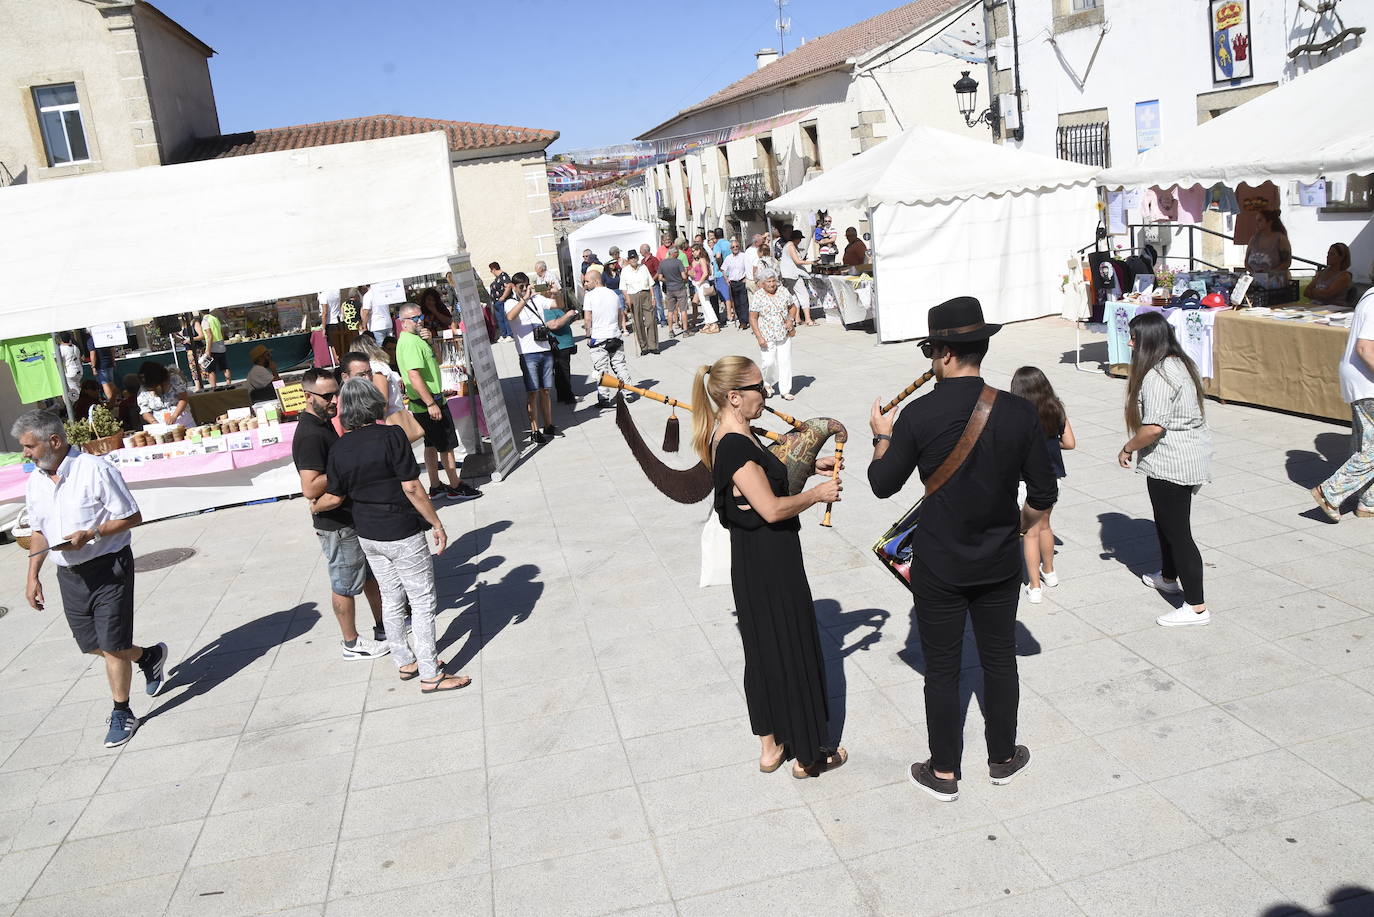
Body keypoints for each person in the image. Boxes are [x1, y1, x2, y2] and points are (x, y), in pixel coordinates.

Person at [868, 296, 1055, 802]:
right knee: (999, 661)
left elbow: (882, 484)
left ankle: (945, 771)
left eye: (931, 350)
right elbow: (1044, 492)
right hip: (998, 561)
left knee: (943, 669)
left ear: (946, 353)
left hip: (940, 563)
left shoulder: (918, 414)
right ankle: (1002, 757)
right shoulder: (1018, 411)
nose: (930, 361)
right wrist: (1021, 525)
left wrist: (881, 438)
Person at [691, 355, 846, 778]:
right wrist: (817, 495)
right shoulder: (736, 445)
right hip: (770, 558)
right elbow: (772, 508)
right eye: (759, 387)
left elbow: (766, 473)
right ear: (735, 397)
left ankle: (770, 747)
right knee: (788, 645)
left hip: (754, 558)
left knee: (762, 650)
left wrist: (810, 464)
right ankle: (809, 756)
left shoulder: (737, 435)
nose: (767, 393)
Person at [16, 409, 167, 748]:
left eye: (29, 446)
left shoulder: (95, 470)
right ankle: (147, 657)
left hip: (108, 568)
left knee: (113, 645)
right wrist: (32, 576)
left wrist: (92, 533)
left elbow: (132, 515)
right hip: (68, 575)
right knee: (91, 645)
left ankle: (122, 712)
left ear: (54, 441)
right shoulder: (35, 481)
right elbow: (39, 530)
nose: (25, 453)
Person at [311, 378, 471, 694]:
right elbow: (412, 487)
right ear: (374, 403)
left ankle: (404, 659)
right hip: (401, 531)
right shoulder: (391, 436)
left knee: (391, 596)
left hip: (368, 534)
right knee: (422, 601)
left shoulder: (340, 447)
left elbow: (335, 495)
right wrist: (436, 523)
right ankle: (430, 672)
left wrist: (315, 506)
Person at [1119, 311, 1213, 627]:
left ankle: (1196, 606)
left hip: (1172, 461)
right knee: (1165, 522)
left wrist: (1128, 447)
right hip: (1184, 455)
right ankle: (1168, 577)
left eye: (1134, 338)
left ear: (1148, 341)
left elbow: (1153, 428)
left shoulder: (1158, 375)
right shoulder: (1180, 363)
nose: (1130, 343)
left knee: (1178, 532)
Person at [291, 368, 389, 658]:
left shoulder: (322, 423)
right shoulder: (309, 434)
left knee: (369, 575)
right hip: (335, 523)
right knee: (344, 583)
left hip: (349, 516)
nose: (335, 399)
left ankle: (384, 626)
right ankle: (352, 643)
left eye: (337, 392)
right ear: (308, 397)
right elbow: (310, 487)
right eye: (327, 396)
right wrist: (347, 467)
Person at [396, 304, 481, 496]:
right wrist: (431, 403)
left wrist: (432, 341)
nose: (419, 321)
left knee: (431, 444)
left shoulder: (418, 339)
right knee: (446, 446)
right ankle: (455, 485)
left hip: (428, 403)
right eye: (414, 319)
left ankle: (435, 486)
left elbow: (439, 359)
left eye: (420, 316)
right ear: (403, 323)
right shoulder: (409, 342)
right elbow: (414, 376)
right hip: (429, 403)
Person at [1009, 367, 1075, 604]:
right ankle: (1050, 572)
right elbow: (1070, 443)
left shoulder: (1016, 413)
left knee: (1029, 532)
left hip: (1025, 480)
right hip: (1052, 477)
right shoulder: (1056, 407)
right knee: (1045, 525)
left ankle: (1034, 586)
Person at [1313, 284, 1374, 522]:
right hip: (1367, 382)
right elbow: (1365, 347)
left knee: (1366, 444)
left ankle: (1368, 502)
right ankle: (1329, 493)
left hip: (1362, 380)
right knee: (1371, 449)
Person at [505, 273, 557, 442]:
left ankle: (548, 424)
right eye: (521, 287)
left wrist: (555, 291)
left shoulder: (537, 299)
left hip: (545, 349)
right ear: (514, 287)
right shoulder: (511, 303)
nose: (525, 289)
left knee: (546, 390)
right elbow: (511, 317)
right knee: (533, 392)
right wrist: (524, 299)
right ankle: (535, 430)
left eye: (526, 285)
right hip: (528, 354)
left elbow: (557, 304)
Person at [341, 341, 422, 444]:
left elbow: (383, 406)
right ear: (345, 377)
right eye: (361, 375)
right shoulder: (342, 402)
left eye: (369, 373)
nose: (367, 378)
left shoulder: (377, 372)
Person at [584, 266, 631, 408]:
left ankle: (604, 398)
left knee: (601, 370)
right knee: (619, 365)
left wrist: (588, 335)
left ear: (596, 281)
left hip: (599, 337)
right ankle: (628, 391)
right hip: (615, 335)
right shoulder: (613, 294)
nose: (585, 284)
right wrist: (618, 328)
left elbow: (587, 318)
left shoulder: (589, 296)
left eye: (587, 282)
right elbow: (620, 313)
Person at [750, 270, 799, 401]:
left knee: (785, 361)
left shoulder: (783, 291)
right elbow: (753, 318)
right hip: (766, 334)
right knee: (769, 362)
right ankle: (767, 383)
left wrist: (790, 319)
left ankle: (785, 390)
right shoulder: (758, 296)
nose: (772, 284)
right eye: (769, 282)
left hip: (783, 333)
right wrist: (759, 337)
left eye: (773, 281)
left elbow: (793, 307)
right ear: (762, 283)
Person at [541, 290, 581, 405]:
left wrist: (570, 317)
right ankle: (568, 397)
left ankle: (562, 396)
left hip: (564, 344)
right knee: (563, 371)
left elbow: (561, 321)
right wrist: (567, 315)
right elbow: (554, 324)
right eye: (554, 294)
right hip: (559, 345)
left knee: (560, 371)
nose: (557, 296)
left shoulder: (555, 308)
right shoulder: (547, 309)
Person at [620, 248, 659, 354]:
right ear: (628, 260)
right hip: (633, 295)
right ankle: (644, 347)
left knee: (651, 320)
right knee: (638, 322)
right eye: (631, 258)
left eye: (635, 257)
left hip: (645, 293)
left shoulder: (643, 267)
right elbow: (623, 287)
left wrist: (653, 297)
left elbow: (650, 283)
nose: (633, 260)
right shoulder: (625, 270)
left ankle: (653, 345)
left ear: (637, 258)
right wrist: (628, 299)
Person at [1244, 209, 1293, 292]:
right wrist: (1254, 273)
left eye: (1260, 220)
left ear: (1269, 222)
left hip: (1276, 285)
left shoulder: (1280, 239)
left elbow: (1286, 262)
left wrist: (1270, 273)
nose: (1257, 223)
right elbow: (1246, 261)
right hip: (1257, 283)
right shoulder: (1254, 239)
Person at [136, 361, 194, 427]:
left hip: (183, 420)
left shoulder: (174, 379)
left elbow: (183, 398)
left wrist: (174, 416)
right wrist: (154, 422)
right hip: (160, 424)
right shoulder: (144, 388)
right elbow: (145, 411)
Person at [781, 230, 816, 327]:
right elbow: (797, 261)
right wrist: (811, 262)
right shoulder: (791, 246)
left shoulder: (787, 245)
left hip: (788, 275)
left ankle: (797, 319)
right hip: (793, 275)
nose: (800, 241)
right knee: (803, 295)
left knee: (794, 297)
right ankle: (808, 319)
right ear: (796, 238)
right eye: (800, 239)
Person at [658, 244, 691, 338]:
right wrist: (682, 279)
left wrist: (668, 280)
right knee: (683, 310)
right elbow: (684, 276)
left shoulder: (662, 263)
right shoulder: (678, 262)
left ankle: (671, 331)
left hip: (670, 289)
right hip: (680, 288)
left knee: (670, 311)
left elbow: (660, 278)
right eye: (677, 252)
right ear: (674, 253)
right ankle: (685, 331)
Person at [199, 309, 232, 391]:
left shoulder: (205, 321)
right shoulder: (214, 318)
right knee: (225, 367)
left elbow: (209, 336)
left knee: (211, 369)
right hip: (221, 345)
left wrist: (208, 350)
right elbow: (221, 331)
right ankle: (229, 384)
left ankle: (214, 387)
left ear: (200, 312)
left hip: (213, 347)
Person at [722, 239, 750, 323]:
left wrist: (746, 277)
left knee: (744, 302)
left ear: (739, 247)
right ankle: (741, 320)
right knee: (736, 303)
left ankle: (744, 321)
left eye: (736, 246)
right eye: (733, 247)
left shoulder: (744, 256)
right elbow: (723, 269)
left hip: (742, 281)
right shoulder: (728, 258)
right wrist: (726, 279)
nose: (735, 248)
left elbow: (749, 267)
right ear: (730, 248)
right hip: (733, 283)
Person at [86, 328, 118, 400]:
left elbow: (93, 353)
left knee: (105, 384)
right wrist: (113, 361)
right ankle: (116, 398)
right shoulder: (104, 337)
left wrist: (93, 367)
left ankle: (111, 400)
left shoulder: (91, 340)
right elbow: (112, 349)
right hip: (109, 363)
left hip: (100, 365)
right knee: (111, 382)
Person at [177, 314, 206, 391]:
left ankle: (209, 384)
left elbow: (202, 336)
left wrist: (191, 339)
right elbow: (182, 336)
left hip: (197, 349)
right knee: (193, 370)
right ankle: (197, 387)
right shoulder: (183, 325)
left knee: (203, 368)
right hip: (189, 351)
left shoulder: (194, 323)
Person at [488, 262, 516, 341]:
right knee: (500, 319)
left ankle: (509, 334)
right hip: (496, 302)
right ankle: (503, 334)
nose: (491, 272)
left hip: (502, 301)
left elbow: (509, 286)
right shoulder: (497, 278)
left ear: (493, 269)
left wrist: (503, 297)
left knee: (505, 318)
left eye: (491, 270)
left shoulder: (503, 276)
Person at [641, 244, 666, 327]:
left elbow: (658, 271)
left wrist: (652, 280)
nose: (640, 252)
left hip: (654, 284)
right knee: (651, 304)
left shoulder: (654, 259)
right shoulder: (642, 261)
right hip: (646, 285)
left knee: (658, 303)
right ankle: (655, 320)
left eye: (641, 250)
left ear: (645, 251)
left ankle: (663, 320)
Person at [58, 333, 82, 397]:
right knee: (77, 387)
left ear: (60, 340)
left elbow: (58, 361)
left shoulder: (61, 349)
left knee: (74, 391)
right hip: (79, 370)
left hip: (70, 372)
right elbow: (80, 358)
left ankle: (78, 404)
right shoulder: (75, 347)